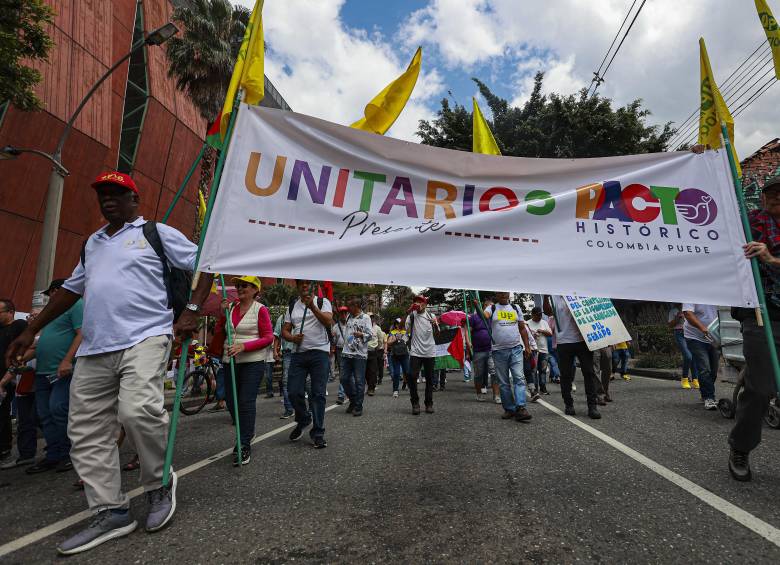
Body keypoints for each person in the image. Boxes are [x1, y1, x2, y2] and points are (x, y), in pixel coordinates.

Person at [5, 171, 214, 555]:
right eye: (103, 194)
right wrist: (29, 329)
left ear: (135, 200)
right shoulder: (92, 243)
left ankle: (157, 486)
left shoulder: (155, 232)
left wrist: (193, 310)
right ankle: (111, 510)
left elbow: (209, 260)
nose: (108, 200)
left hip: (146, 336)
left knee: (138, 412)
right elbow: (70, 290)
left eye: (118, 193)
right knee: (84, 432)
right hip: (95, 348)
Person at [729, 176, 780, 481]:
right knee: (761, 390)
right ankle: (741, 447)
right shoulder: (748, 224)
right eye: (769, 194)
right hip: (762, 315)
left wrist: (771, 259)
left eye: (779, 195)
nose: (773, 199)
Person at [212, 276, 273, 465]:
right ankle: (248, 430)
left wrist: (244, 347)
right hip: (230, 361)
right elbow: (220, 331)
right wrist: (221, 314)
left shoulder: (260, 309)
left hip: (252, 362)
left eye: (244, 285)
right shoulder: (230, 307)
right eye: (238, 285)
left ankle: (243, 443)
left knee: (246, 402)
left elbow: (268, 337)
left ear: (255, 289)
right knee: (231, 402)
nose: (239, 288)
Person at [26, 279, 83, 474]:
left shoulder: (76, 305)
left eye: (50, 293)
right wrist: (22, 359)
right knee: (44, 415)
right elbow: (41, 342)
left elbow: (81, 333)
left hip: (63, 370)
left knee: (58, 409)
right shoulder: (50, 313)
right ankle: (53, 455)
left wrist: (67, 360)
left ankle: (70, 454)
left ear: (59, 290)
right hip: (43, 371)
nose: (49, 297)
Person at [282, 280, 333, 448]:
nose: (304, 286)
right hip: (299, 354)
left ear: (312, 286)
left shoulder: (322, 302)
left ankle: (318, 432)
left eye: (307, 283)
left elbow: (328, 321)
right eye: (301, 284)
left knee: (318, 394)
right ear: (297, 287)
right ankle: (304, 418)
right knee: (293, 391)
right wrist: (292, 338)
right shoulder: (292, 306)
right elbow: (285, 331)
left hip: (320, 353)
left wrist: (312, 307)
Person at [543, 296, 602, 419]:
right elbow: (548, 312)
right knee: (566, 375)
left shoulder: (580, 293)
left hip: (583, 340)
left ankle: (592, 406)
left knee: (589, 372)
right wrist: (545, 297)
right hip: (564, 342)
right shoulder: (554, 297)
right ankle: (568, 404)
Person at [485, 292, 532, 421]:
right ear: (497, 295)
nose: (504, 294)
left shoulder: (516, 308)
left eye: (506, 292)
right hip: (498, 351)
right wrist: (479, 308)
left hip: (516, 348)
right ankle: (510, 409)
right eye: (500, 293)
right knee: (504, 382)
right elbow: (485, 316)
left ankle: (521, 407)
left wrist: (527, 346)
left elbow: (522, 328)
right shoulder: (492, 308)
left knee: (519, 377)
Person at [0, 300, 27, 469]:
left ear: (10, 312)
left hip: (7, 378)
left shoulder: (19, 325)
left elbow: (21, 352)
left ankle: (4, 451)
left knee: (2, 414)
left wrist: (6, 378)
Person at [405, 295, 438, 415]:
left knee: (429, 378)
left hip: (430, 352)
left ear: (425, 304)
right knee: (412, 376)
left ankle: (428, 403)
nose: (418, 304)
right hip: (415, 351)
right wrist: (408, 311)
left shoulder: (431, 316)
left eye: (420, 302)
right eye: (416, 302)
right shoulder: (412, 316)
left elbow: (438, 334)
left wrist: (435, 324)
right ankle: (415, 403)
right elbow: (406, 330)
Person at [682, 304, 719, 410]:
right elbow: (688, 314)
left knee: (714, 370)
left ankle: (705, 393)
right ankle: (709, 397)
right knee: (704, 368)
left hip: (714, 336)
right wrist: (703, 328)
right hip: (695, 337)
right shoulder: (692, 292)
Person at [339, 298, 372, 416]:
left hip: (359, 355)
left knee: (359, 381)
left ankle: (358, 406)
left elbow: (370, 335)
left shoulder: (366, 318)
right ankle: (353, 400)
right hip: (346, 353)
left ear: (357, 305)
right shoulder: (349, 317)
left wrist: (361, 334)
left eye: (350, 306)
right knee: (343, 378)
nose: (348, 308)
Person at [468, 301, 492, 402]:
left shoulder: (492, 318)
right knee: (479, 373)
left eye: (491, 306)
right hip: (478, 350)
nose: (490, 308)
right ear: (483, 307)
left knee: (494, 371)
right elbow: (468, 330)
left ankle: (496, 395)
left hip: (491, 349)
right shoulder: (474, 317)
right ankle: (479, 393)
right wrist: (468, 342)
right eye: (488, 306)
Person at [669, 305, 697, 390]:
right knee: (688, 356)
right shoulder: (673, 310)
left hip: (691, 332)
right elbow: (670, 325)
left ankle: (695, 379)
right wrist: (677, 317)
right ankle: (684, 378)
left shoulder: (691, 309)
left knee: (694, 356)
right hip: (679, 333)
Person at [273, 312, 295, 418]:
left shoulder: (306, 314)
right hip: (288, 353)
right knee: (286, 381)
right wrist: (275, 351)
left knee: (306, 382)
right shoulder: (282, 318)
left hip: (303, 352)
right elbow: (277, 335)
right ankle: (289, 408)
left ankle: (309, 408)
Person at [527, 306, 552, 396]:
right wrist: (533, 334)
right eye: (537, 315)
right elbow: (525, 336)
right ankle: (535, 389)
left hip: (544, 350)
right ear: (532, 315)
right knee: (533, 370)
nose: (539, 316)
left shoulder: (544, 323)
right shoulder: (528, 323)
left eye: (540, 315)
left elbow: (550, 333)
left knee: (543, 369)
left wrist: (541, 331)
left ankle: (543, 388)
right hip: (533, 350)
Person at [386, 318, 410, 398]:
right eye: (397, 324)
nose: (399, 325)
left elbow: (409, 341)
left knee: (407, 372)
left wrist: (406, 338)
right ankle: (395, 390)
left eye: (400, 324)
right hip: (395, 356)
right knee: (396, 373)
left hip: (405, 355)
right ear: (395, 324)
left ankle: (410, 387)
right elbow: (388, 343)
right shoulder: (392, 333)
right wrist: (395, 339)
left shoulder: (405, 332)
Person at [331, 306, 349, 404]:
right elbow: (333, 341)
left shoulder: (351, 324)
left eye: (345, 313)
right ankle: (341, 395)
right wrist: (332, 338)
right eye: (342, 313)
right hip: (340, 351)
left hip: (350, 350)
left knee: (350, 373)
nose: (343, 315)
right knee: (342, 372)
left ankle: (351, 392)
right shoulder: (335, 327)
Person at [365, 314, 382, 396]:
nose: (370, 319)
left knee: (372, 370)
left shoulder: (377, 328)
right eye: (368, 317)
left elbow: (380, 340)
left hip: (373, 351)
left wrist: (377, 349)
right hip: (364, 351)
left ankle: (371, 388)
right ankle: (369, 385)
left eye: (371, 317)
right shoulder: (363, 327)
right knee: (365, 371)